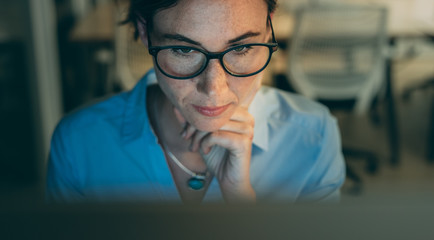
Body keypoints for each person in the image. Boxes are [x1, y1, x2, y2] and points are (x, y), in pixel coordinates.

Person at [46, 0, 345, 204]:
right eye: (184, 51)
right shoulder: (79, 144)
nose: (214, 90)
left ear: (269, 29)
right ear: (144, 32)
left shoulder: (314, 137)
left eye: (241, 48)